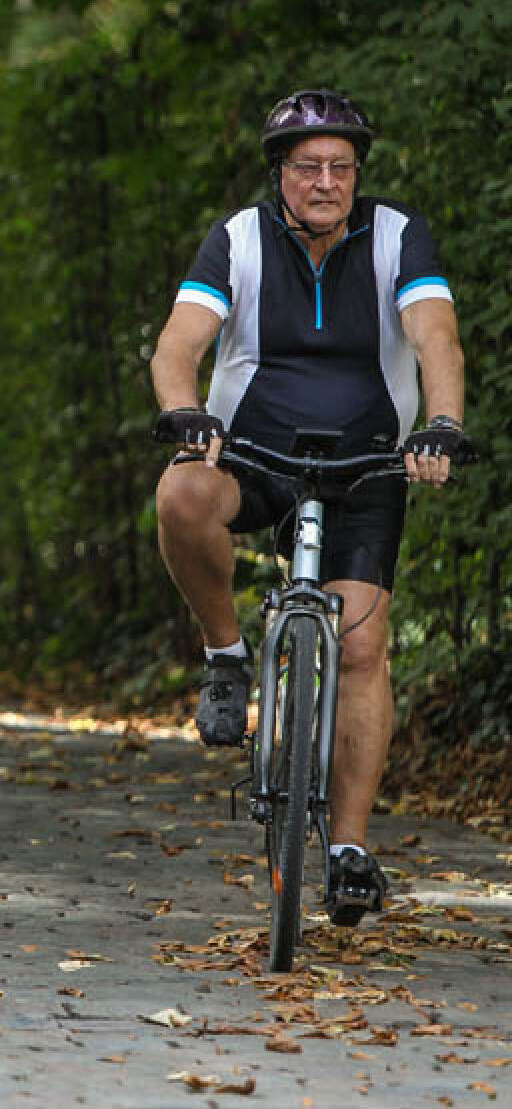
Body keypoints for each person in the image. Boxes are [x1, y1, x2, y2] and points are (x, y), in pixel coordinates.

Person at [149, 87, 467, 928]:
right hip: (254, 454)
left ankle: (349, 849)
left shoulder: (397, 235)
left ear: (357, 172)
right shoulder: (238, 238)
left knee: (360, 647)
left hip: (367, 462)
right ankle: (226, 654)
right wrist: (186, 412)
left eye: (341, 167)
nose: (326, 182)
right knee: (181, 493)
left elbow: (436, 336)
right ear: (279, 174)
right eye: (308, 167)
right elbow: (180, 341)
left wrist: (440, 425)